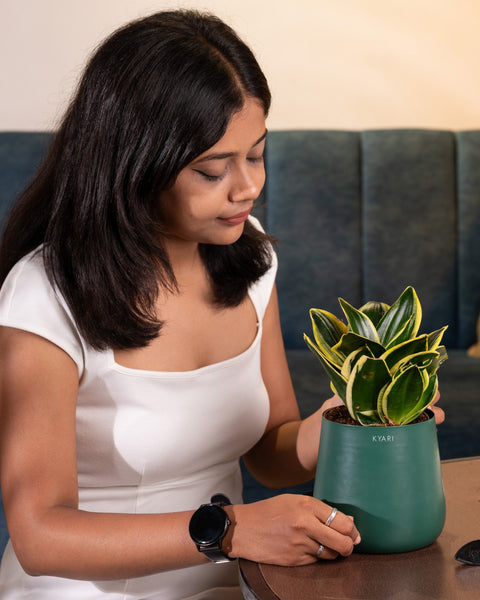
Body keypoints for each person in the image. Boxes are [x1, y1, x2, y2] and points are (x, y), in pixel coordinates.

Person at [0, 10, 443, 600]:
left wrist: (353, 419)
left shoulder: (250, 260)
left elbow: (272, 451)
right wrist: (230, 530)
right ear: (134, 166)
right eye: (213, 170)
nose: (247, 188)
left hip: (236, 586)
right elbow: (40, 536)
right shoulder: (46, 293)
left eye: (256, 155)